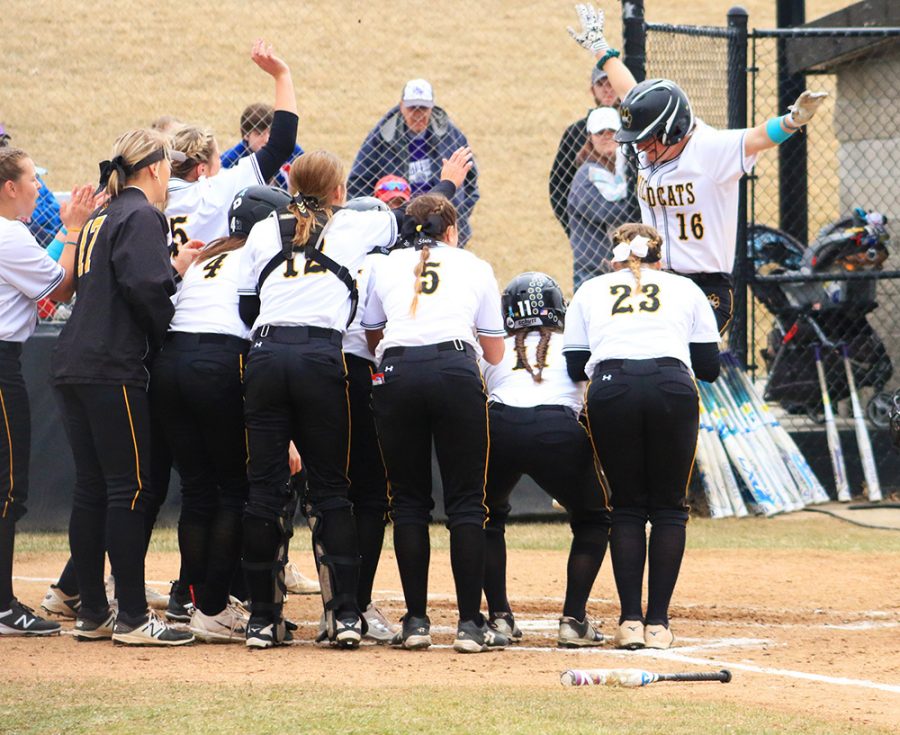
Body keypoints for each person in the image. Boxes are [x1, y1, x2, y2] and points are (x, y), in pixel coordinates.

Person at [567, 3, 828, 334]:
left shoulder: (709, 149)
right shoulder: (654, 143)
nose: (640, 145)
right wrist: (602, 49)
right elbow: (629, 91)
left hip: (705, 287)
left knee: (677, 361)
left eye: (648, 138)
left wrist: (793, 120)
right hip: (654, 278)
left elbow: (758, 137)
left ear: (673, 129)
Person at [236, 150, 399, 650]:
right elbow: (393, 227)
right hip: (319, 356)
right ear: (336, 191)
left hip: (265, 355)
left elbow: (247, 307)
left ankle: (263, 619)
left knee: (265, 491)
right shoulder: (353, 224)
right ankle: (345, 616)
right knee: (331, 489)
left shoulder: (265, 229)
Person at [50, 128, 198, 646]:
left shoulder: (102, 215)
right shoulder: (142, 215)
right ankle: (133, 616)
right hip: (112, 366)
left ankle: (93, 611)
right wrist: (165, 330)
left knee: (92, 490)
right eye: (169, 166)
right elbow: (145, 289)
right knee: (129, 488)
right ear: (155, 168)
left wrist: (168, 274)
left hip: (73, 362)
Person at [562, 223, 720, 650]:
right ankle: (658, 625)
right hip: (672, 385)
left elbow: (576, 366)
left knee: (627, 507)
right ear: (659, 258)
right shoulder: (684, 288)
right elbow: (708, 366)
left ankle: (630, 621)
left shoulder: (591, 288)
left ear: (612, 259)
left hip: (613, 387)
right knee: (669, 508)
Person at [362, 193, 507, 654]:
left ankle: (417, 622)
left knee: (407, 502)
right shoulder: (475, 265)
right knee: (466, 503)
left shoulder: (383, 266)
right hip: (454, 368)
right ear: (450, 232)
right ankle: (468, 624)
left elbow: (371, 335)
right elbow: (496, 353)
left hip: (398, 371)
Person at [149, 185, 293, 643]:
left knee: (196, 490)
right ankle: (212, 607)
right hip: (219, 360)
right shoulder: (260, 257)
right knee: (235, 489)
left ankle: (196, 601)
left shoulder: (211, 253)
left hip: (171, 363)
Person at [481, 272, 611, 647]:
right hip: (556, 428)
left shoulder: (496, 348)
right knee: (594, 519)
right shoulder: (573, 345)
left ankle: (500, 617)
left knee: (487, 518)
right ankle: (573, 619)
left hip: (500, 425)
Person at [0, 148, 93, 636]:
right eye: (33, 179)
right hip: (1, 364)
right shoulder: (9, 234)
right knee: (8, 489)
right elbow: (61, 290)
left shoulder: (11, 235)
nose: (39, 187)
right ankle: (1, 606)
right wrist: (76, 230)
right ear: (10, 187)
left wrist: (64, 233)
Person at [167, 40, 298, 250]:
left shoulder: (152, 196)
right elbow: (281, 145)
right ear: (202, 169)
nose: (221, 163)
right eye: (217, 158)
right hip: (212, 281)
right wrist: (282, 76)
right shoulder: (217, 190)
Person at [347, 79, 479, 245]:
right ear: (401, 107)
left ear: (431, 108)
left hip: (441, 224)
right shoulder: (382, 137)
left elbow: (471, 183)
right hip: (400, 226)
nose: (418, 114)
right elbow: (357, 183)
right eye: (412, 108)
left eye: (423, 108)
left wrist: (459, 214)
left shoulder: (450, 136)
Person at [550, 65, 621, 236]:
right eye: (601, 84)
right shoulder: (576, 132)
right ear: (592, 90)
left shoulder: (635, 128)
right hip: (590, 227)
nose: (607, 90)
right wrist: (576, 229)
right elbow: (559, 185)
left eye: (611, 83)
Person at [567, 106, 632, 289]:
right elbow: (608, 213)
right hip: (593, 274)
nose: (606, 135)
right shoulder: (585, 175)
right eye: (599, 132)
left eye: (612, 130)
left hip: (625, 270)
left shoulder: (625, 173)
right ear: (590, 137)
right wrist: (635, 200)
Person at [220, 102, 303, 191]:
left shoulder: (290, 150)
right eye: (259, 134)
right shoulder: (229, 162)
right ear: (246, 135)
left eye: (271, 133)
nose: (267, 139)